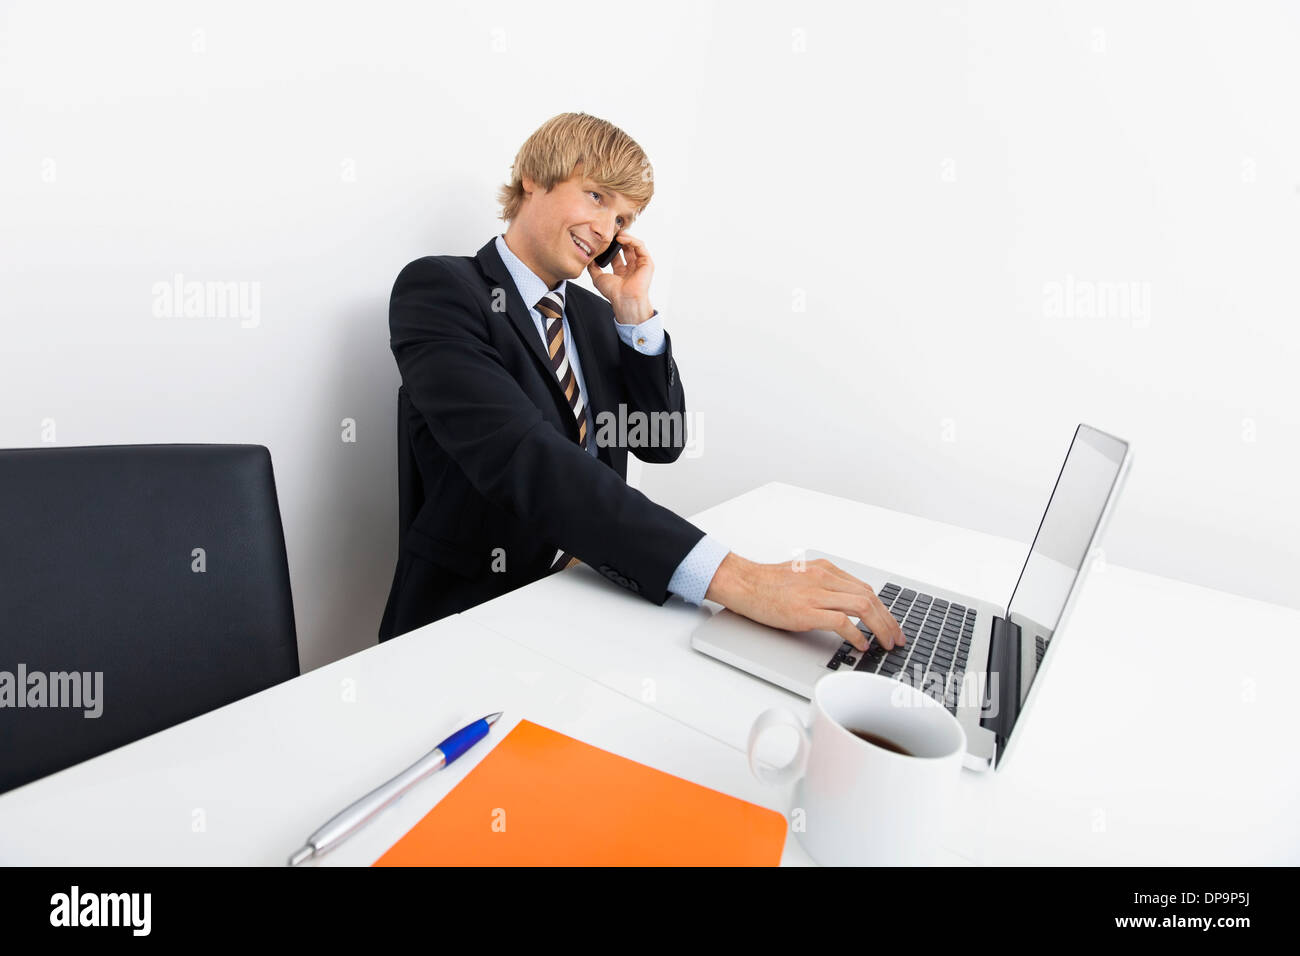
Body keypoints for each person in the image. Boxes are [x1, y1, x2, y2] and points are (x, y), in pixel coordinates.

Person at [378, 112, 902, 653]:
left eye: (622, 217)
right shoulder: (441, 289)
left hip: (593, 591)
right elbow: (521, 456)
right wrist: (739, 579)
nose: (606, 230)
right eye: (597, 197)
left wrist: (634, 314)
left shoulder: (598, 315)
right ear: (532, 178)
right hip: (470, 610)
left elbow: (660, 444)